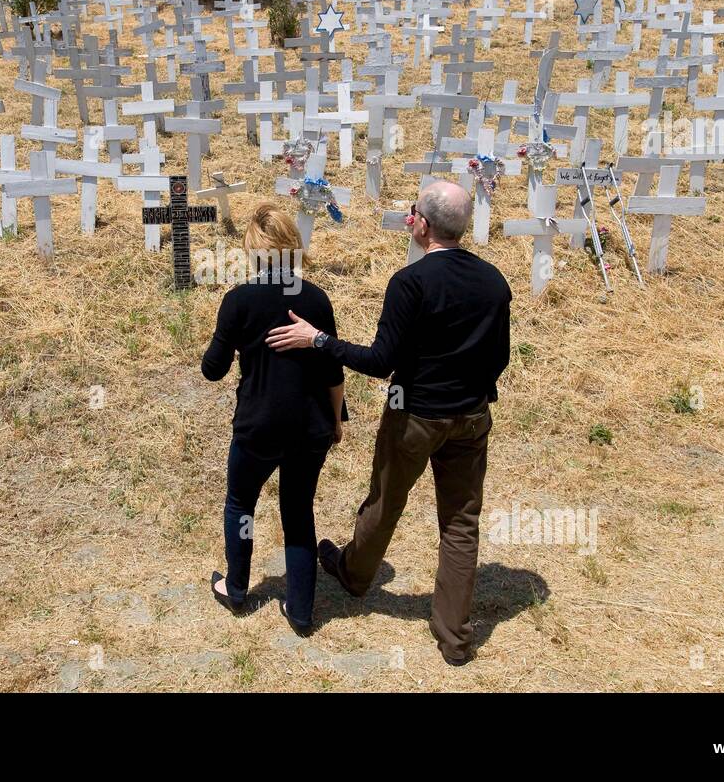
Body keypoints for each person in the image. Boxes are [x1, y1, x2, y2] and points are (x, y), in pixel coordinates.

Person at [265, 180, 511, 664]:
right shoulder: (494, 281)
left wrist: (318, 340)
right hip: (471, 415)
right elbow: (498, 358)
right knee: (461, 524)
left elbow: (380, 361)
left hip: (416, 413)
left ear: (420, 223)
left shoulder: (410, 282)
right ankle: (456, 640)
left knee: (386, 499)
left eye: (413, 210)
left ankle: (355, 575)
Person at [201, 205, 345, 635]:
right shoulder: (317, 299)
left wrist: (228, 336)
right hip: (310, 424)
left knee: (241, 504)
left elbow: (213, 369)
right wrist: (337, 421)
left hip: (259, 423)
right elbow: (332, 372)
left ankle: (238, 587)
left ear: (254, 252)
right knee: (298, 511)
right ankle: (300, 611)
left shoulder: (239, 300)